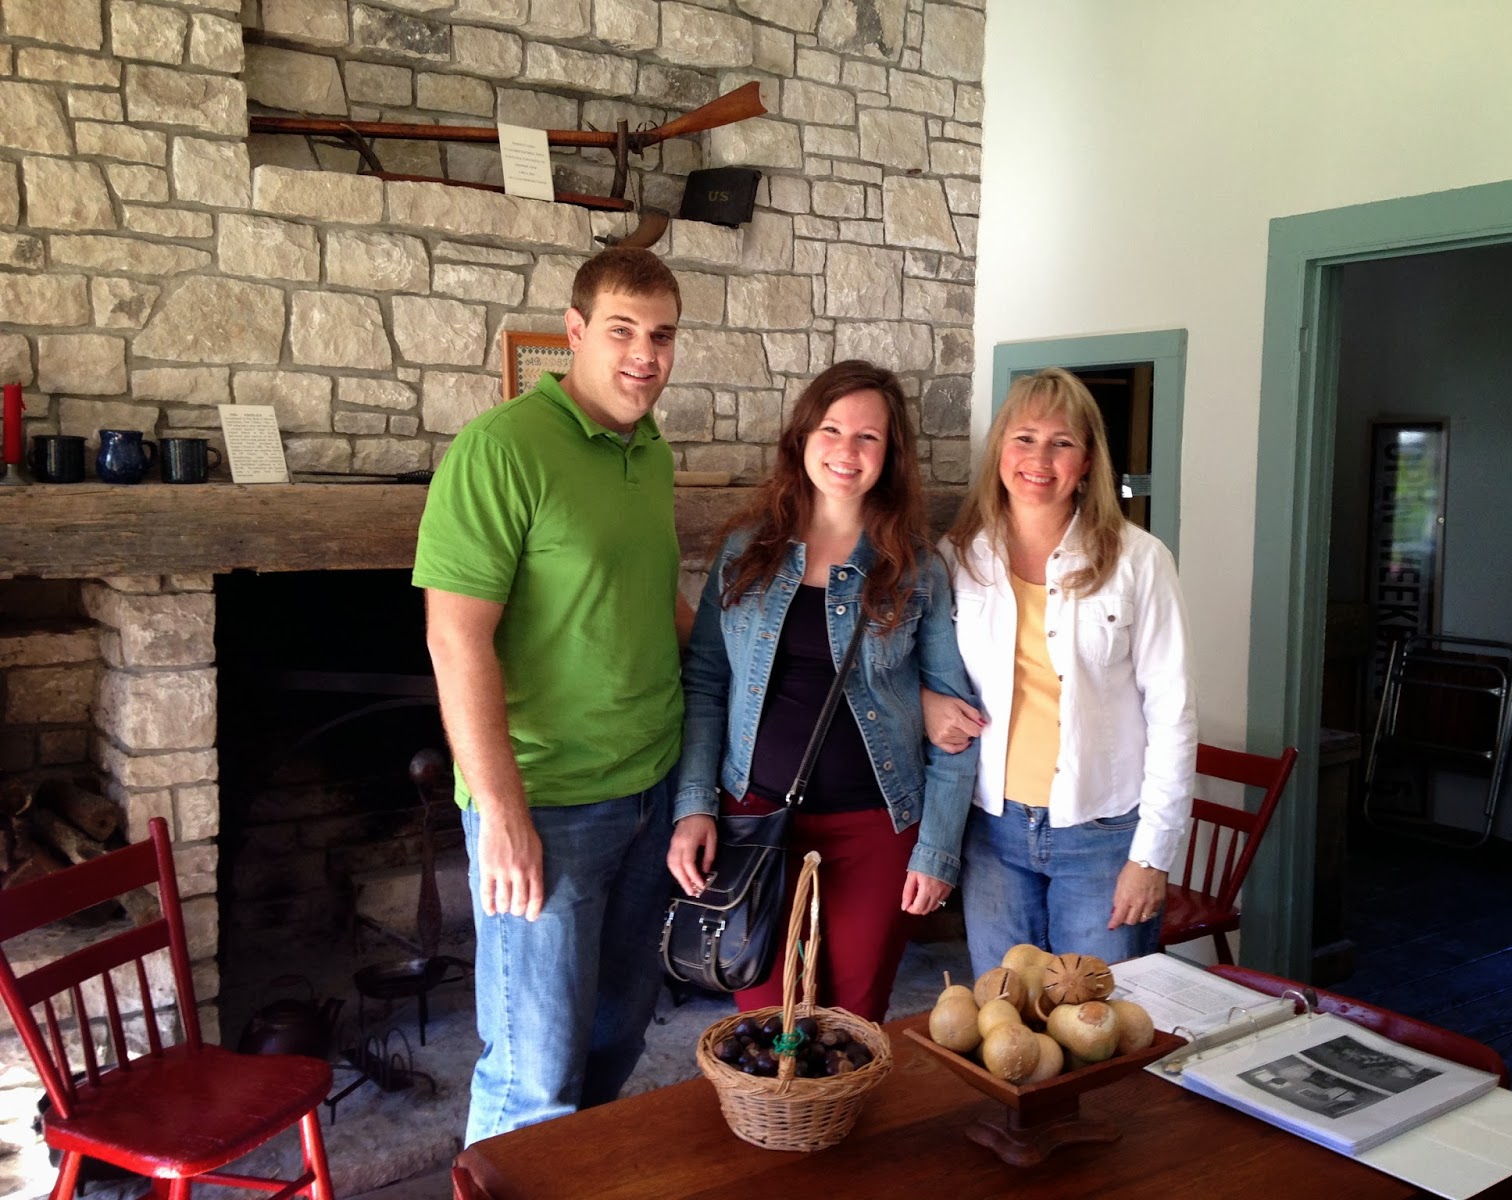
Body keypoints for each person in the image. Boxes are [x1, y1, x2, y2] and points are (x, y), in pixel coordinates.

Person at [412, 247, 685, 1143]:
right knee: (534, 1079)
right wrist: (502, 814)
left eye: (661, 336)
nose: (644, 355)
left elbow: (657, 604)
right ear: (573, 332)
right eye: (622, 331)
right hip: (549, 808)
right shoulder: (499, 450)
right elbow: (455, 638)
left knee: (613, 1042)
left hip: (649, 795)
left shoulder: (650, 450)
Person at [667, 360, 980, 1022]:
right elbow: (706, 683)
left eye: (869, 437)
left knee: (850, 1024)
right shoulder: (746, 551)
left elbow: (958, 724)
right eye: (832, 429)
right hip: (753, 821)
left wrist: (937, 849)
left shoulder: (916, 569)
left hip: (877, 829)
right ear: (803, 437)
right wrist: (694, 806)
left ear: (890, 456)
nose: (846, 450)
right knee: (761, 1016)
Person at [925, 367, 1197, 975]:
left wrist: (1151, 856)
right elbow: (919, 667)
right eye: (1024, 438)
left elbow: (1173, 712)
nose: (1039, 458)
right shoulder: (959, 556)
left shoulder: (1139, 560)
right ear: (1000, 449)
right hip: (992, 830)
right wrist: (925, 701)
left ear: (1088, 460)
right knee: (1003, 1010)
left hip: (1103, 835)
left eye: (1062, 442)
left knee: (1099, 1013)